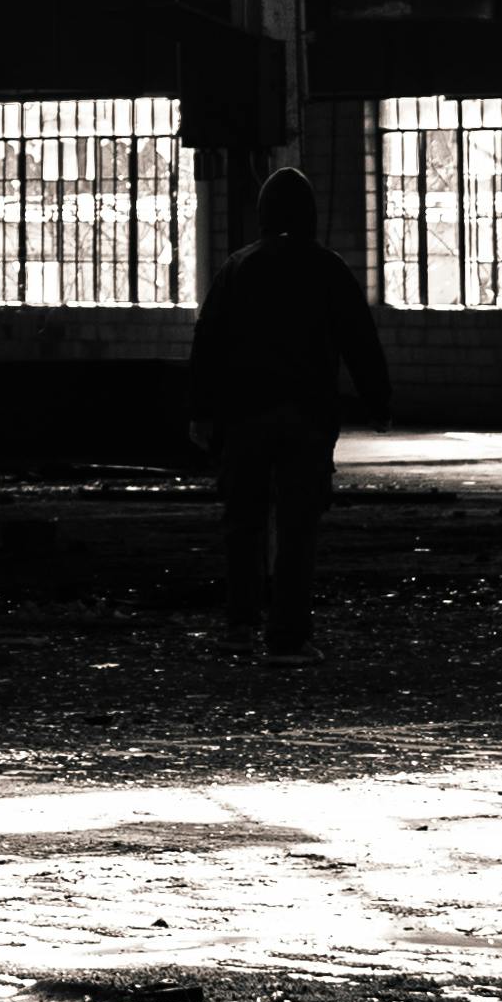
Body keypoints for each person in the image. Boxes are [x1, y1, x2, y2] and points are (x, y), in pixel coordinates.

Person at [187, 163, 391, 655]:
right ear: (309, 214)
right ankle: (287, 637)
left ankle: (240, 625)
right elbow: (359, 340)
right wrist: (378, 402)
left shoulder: (237, 267)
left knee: (244, 523)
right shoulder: (327, 268)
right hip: (306, 416)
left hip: (245, 417)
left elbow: (207, 342)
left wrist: (201, 411)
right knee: (298, 526)